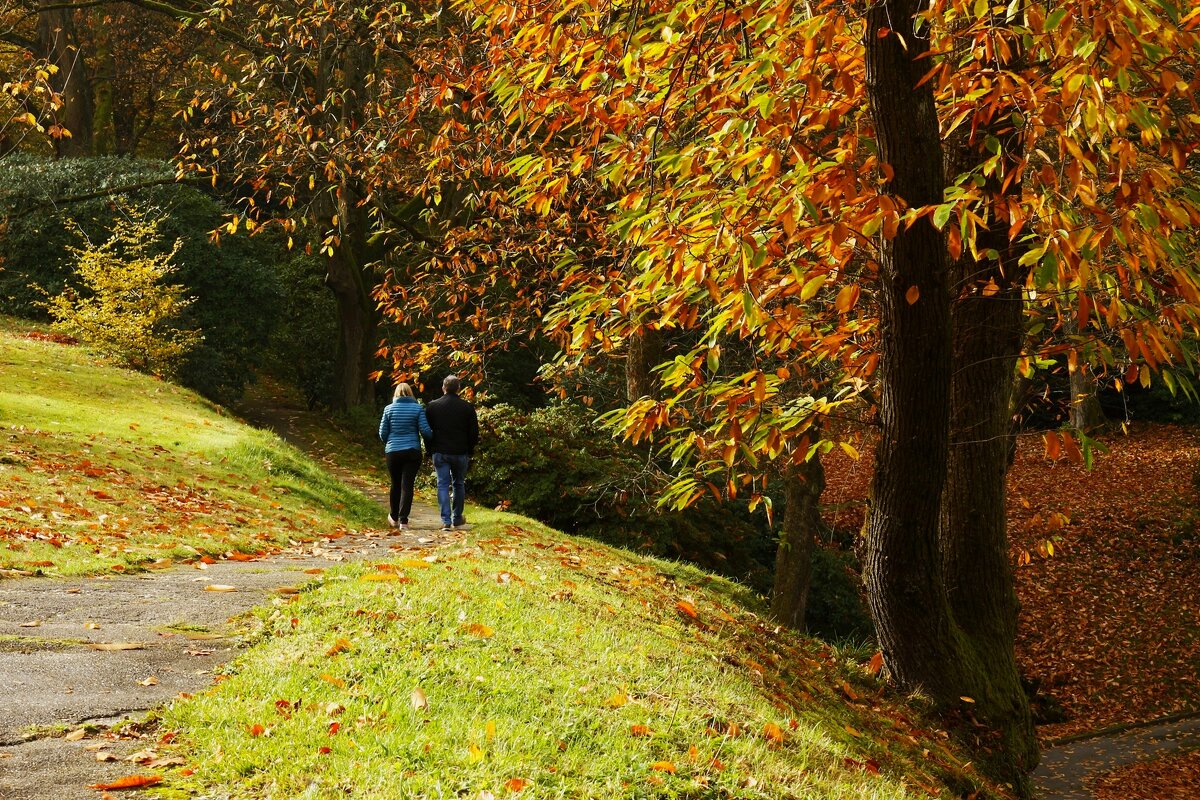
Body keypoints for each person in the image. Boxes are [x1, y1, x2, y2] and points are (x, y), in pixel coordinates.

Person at [425, 374, 479, 531]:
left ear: (443, 387)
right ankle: (457, 518)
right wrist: (469, 449)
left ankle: (446, 520)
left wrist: (430, 450)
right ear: (459, 389)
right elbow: (473, 433)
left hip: (440, 451)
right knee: (459, 484)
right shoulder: (467, 408)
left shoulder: (432, 406)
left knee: (442, 484)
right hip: (460, 452)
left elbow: (427, 432)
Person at [378, 382, 432, 530]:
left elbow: (382, 433)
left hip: (393, 452)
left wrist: (389, 442)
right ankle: (404, 521)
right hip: (412, 451)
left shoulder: (388, 409)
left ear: (395, 393)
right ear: (410, 393)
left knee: (395, 484)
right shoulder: (417, 408)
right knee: (407, 485)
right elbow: (426, 431)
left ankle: (393, 517)